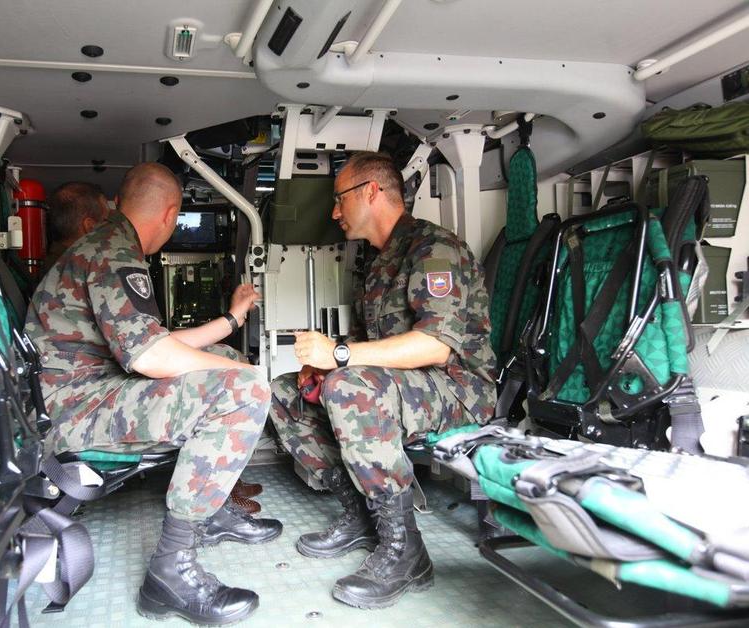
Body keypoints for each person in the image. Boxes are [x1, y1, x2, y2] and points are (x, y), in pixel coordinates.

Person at [25, 162, 281, 625]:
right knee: (241, 390)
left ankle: (211, 508)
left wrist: (232, 324)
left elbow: (153, 343)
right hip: (76, 408)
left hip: (81, 393)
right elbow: (150, 356)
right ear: (170, 215)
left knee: (227, 361)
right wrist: (249, 375)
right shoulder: (113, 252)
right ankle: (171, 571)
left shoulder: (107, 244)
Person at [269, 151, 496, 609]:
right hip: (399, 386)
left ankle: (405, 549)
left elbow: (435, 346)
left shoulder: (434, 249)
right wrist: (326, 365)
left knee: (348, 388)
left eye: (339, 199)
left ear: (371, 192)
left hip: (457, 389)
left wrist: (339, 357)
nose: (334, 212)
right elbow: (370, 344)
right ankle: (360, 515)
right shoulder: (377, 263)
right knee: (285, 390)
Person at [41, 181, 110, 276]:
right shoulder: (85, 271)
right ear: (90, 227)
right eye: (105, 221)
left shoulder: (49, 266)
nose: (110, 229)